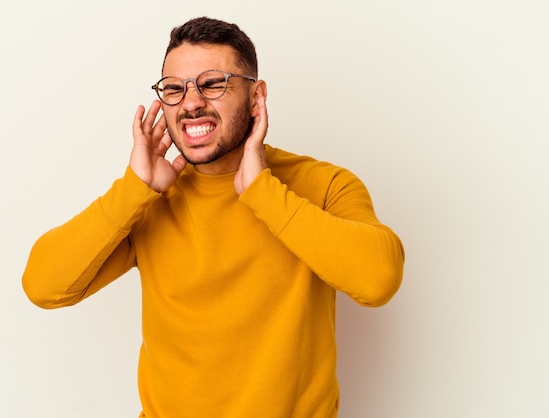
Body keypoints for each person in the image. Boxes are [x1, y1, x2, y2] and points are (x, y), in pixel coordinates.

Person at [22, 16, 404, 418]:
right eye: (174, 89)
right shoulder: (148, 202)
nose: (190, 103)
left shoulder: (323, 185)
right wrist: (135, 188)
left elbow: (378, 281)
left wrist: (262, 192)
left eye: (212, 83)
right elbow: (44, 286)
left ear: (257, 97)